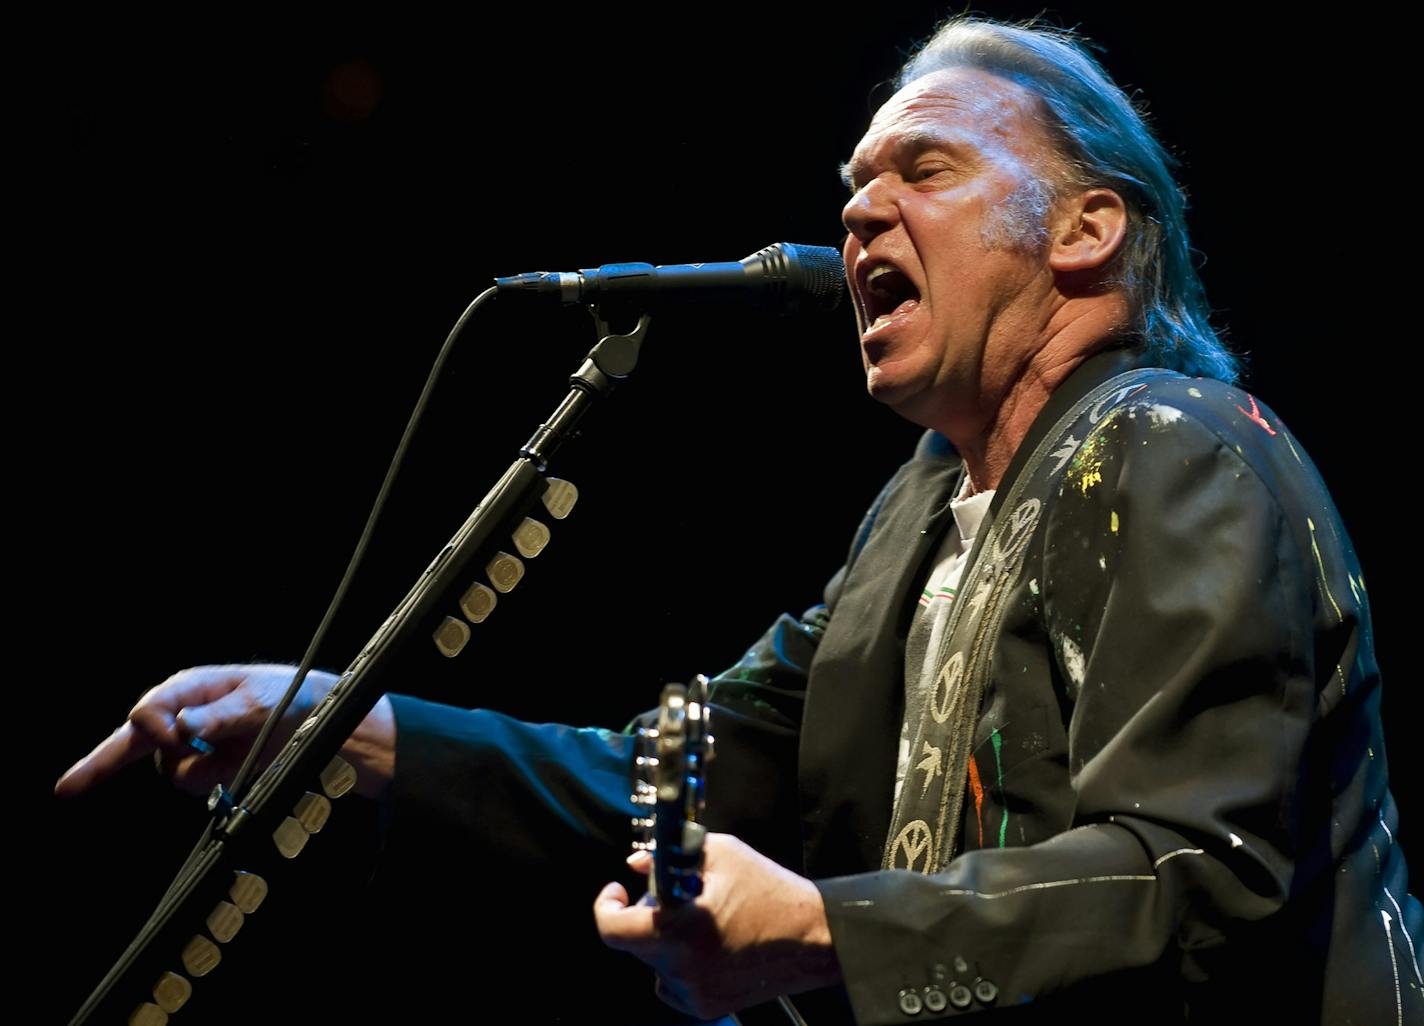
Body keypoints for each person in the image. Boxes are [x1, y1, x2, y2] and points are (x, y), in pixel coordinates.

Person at [57, 17, 1420, 1024]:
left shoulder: (1178, 449)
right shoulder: (915, 522)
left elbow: (1191, 871)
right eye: (854, 183)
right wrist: (335, 724)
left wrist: (827, 927)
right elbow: (680, 774)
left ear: (1086, 231)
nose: (859, 208)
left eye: (924, 168)